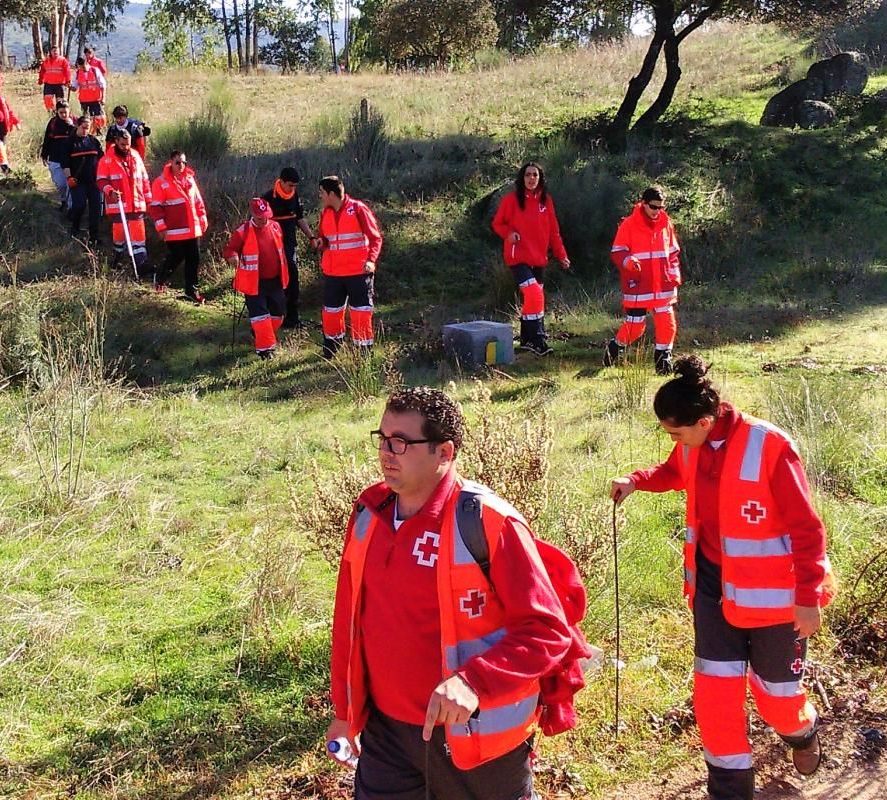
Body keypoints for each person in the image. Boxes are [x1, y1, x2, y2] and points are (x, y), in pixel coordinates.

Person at [329, 387, 587, 800]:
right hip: (388, 738)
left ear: (444, 452)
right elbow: (350, 620)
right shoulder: (368, 514)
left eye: (402, 442)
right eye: (382, 438)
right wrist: (345, 713)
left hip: (477, 739)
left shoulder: (487, 521)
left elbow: (547, 631)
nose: (386, 452)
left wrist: (473, 683)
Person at [609, 355, 833, 800]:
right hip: (713, 592)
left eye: (675, 432)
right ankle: (730, 791)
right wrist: (637, 480)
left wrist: (808, 597)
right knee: (715, 699)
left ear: (706, 421)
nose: (671, 440)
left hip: (776, 603)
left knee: (778, 700)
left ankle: (801, 734)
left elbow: (808, 529)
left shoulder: (770, 446)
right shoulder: (694, 443)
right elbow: (674, 472)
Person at [491, 162, 571, 357]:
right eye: (528, 174)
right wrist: (509, 233)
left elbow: (554, 232)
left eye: (535, 175)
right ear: (522, 178)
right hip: (518, 257)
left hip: (539, 259)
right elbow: (497, 223)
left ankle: (527, 340)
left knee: (533, 300)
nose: (531, 178)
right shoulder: (511, 200)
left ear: (540, 178)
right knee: (535, 294)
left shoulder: (546, 201)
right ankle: (538, 340)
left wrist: (562, 256)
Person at [605, 186, 682, 374]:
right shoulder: (629, 224)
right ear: (644, 204)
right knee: (635, 327)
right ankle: (614, 349)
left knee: (667, 324)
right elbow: (617, 251)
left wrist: (674, 275)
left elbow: (673, 253)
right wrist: (629, 261)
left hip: (663, 285)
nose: (658, 211)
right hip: (639, 285)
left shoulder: (667, 224)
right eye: (654, 207)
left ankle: (663, 361)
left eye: (661, 207)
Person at [313, 176, 382, 358]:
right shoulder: (325, 213)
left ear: (331, 194)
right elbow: (327, 238)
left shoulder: (359, 209)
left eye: (321, 192)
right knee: (331, 313)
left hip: (358, 272)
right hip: (333, 273)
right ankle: (332, 350)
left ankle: (364, 352)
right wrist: (322, 242)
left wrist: (371, 260)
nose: (320, 196)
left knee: (360, 313)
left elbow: (376, 238)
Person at [224, 197, 288, 359]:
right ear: (253, 215)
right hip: (254, 282)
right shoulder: (242, 231)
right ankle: (266, 351)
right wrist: (232, 257)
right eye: (260, 217)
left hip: (275, 280)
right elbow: (230, 249)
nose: (263, 220)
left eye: (266, 216)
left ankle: (259, 333)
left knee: (278, 315)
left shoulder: (275, 227)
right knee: (260, 317)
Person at [260, 166, 316, 329]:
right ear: (281, 181)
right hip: (272, 249)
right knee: (274, 283)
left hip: (290, 246)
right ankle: (273, 315)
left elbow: (299, 219)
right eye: (290, 185)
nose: (293, 188)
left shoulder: (294, 196)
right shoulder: (268, 198)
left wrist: (311, 237)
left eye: (295, 186)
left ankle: (293, 318)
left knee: (292, 280)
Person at [150, 150, 208, 302]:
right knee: (177, 256)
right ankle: (160, 279)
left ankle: (191, 291)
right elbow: (155, 207)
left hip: (192, 228)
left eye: (184, 162)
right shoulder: (161, 182)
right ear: (171, 162)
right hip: (174, 230)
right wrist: (161, 226)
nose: (181, 165)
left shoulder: (190, 179)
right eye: (178, 162)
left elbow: (197, 201)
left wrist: (202, 218)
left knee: (194, 259)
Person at [97, 126, 152, 273]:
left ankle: (141, 266)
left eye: (128, 144)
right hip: (118, 206)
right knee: (119, 238)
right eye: (123, 144)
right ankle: (116, 262)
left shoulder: (135, 156)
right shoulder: (106, 160)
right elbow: (101, 181)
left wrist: (149, 200)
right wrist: (111, 192)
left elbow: (144, 179)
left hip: (136, 205)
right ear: (116, 141)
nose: (126, 147)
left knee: (139, 238)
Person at [63, 116, 104, 246]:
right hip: (78, 182)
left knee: (96, 208)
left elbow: (102, 160)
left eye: (88, 128)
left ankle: (94, 235)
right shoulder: (69, 143)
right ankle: (75, 227)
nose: (86, 130)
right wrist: (69, 177)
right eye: (84, 128)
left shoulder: (93, 141)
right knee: (79, 206)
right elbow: (65, 163)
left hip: (94, 182)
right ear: (78, 126)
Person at [40, 100, 76, 211]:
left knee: (70, 184)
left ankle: (71, 209)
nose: (64, 115)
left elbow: (81, 136)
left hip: (71, 160)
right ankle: (63, 200)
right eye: (61, 113)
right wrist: (44, 154)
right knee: (60, 184)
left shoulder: (75, 121)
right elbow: (47, 139)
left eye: (66, 112)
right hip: (55, 158)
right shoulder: (53, 123)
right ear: (57, 112)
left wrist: (72, 126)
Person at [71, 57, 107, 133]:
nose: (82, 68)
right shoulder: (78, 73)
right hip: (84, 100)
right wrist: (69, 86)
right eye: (80, 67)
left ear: (86, 63)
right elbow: (75, 87)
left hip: (96, 99)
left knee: (99, 117)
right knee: (87, 118)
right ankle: (90, 132)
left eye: (83, 66)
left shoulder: (95, 70)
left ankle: (100, 131)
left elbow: (102, 85)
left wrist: (103, 97)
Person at [38, 45, 70, 112]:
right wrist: (40, 80)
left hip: (60, 84)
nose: (55, 52)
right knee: (47, 99)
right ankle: (52, 113)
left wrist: (68, 81)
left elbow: (67, 71)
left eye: (56, 51)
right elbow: (42, 71)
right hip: (49, 84)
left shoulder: (63, 60)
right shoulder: (46, 61)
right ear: (51, 52)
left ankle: (60, 113)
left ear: (59, 51)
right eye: (54, 51)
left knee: (60, 101)